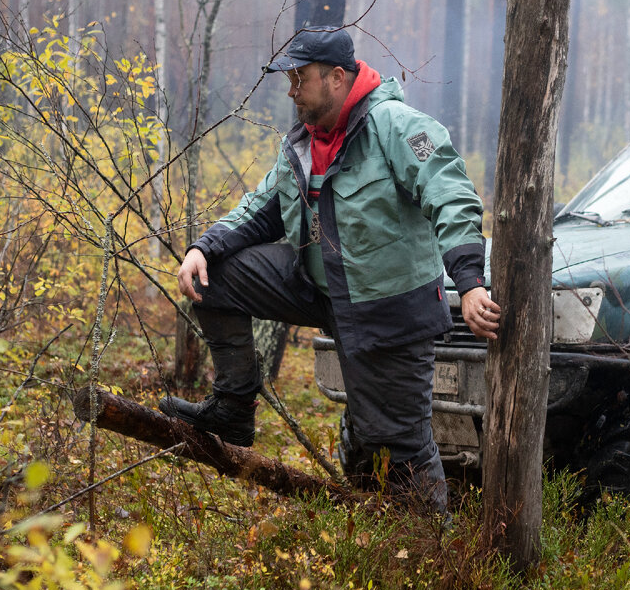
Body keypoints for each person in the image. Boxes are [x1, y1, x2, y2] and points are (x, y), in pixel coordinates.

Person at [158, 26, 500, 512]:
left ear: (336, 78)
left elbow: (451, 194)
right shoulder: (301, 140)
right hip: (319, 288)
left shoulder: (398, 126)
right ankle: (233, 406)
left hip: (387, 309)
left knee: (396, 443)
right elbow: (264, 207)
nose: (291, 90)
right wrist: (204, 248)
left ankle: (432, 550)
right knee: (220, 276)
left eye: (300, 78)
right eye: (290, 79)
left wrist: (468, 282)